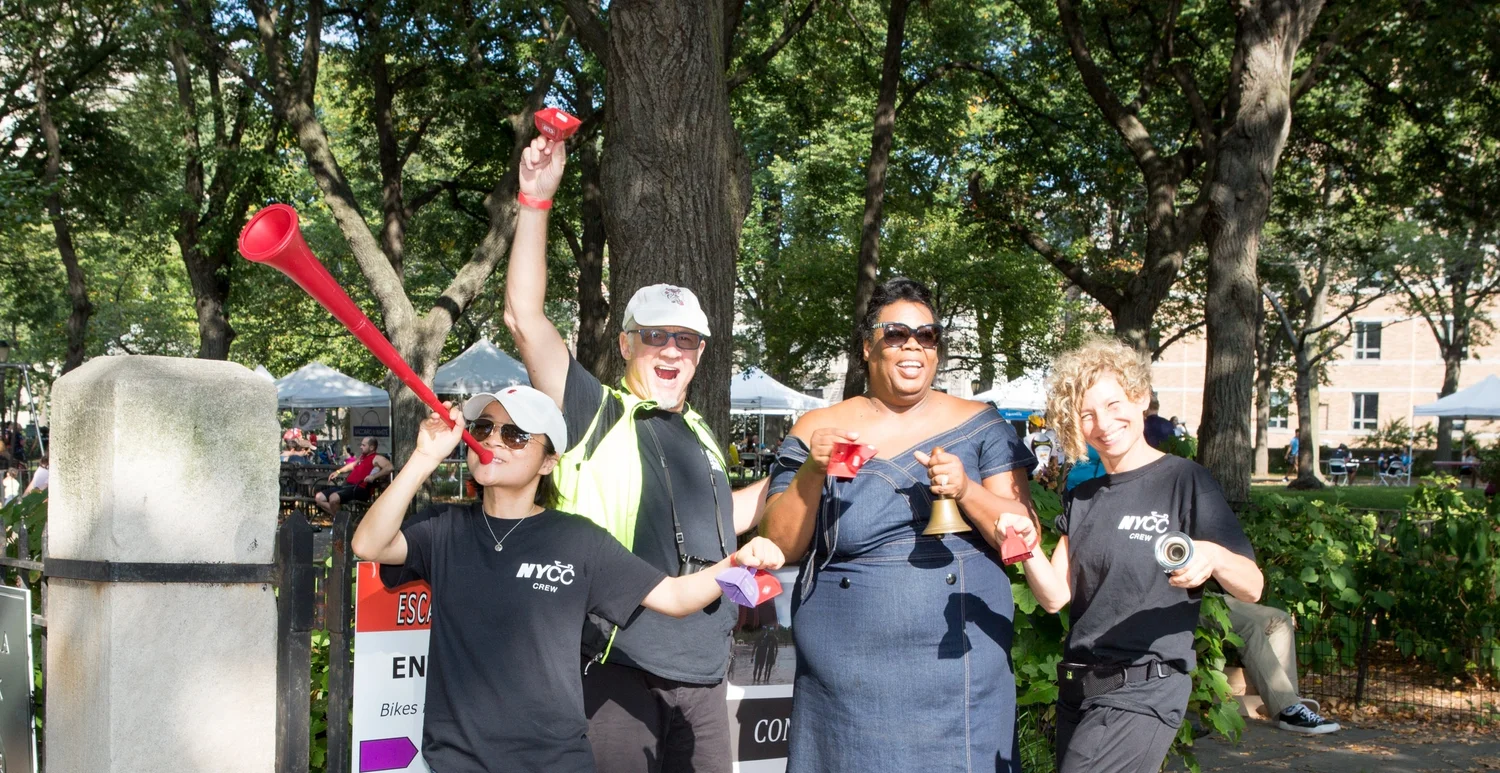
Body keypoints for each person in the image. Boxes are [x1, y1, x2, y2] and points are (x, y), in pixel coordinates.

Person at [503, 132, 771, 773]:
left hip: (703, 675)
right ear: (625, 344)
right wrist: (535, 201)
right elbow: (524, 317)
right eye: (655, 336)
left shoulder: (704, 433)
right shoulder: (592, 409)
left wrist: (800, 470)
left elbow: (714, 525)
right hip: (613, 666)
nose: (671, 351)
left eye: (686, 339)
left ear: (703, 352)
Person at [352, 387, 785, 773]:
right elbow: (369, 545)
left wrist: (737, 561)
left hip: (553, 761)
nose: (493, 441)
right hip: (453, 761)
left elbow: (673, 596)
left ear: (549, 461)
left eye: (516, 435)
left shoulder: (577, 539)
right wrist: (425, 458)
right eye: (484, 427)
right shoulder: (443, 529)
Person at [762, 277, 1039, 772]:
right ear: (868, 345)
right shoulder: (816, 426)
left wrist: (967, 491)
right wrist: (811, 470)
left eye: (927, 335)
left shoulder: (981, 423)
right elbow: (778, 544)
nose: (912, 344)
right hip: (843, 679)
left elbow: (1021, 529)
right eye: (895, 333)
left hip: (956, 672)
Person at [1015, 338, 1263, 773]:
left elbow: (1253, 585)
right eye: (1087, 414)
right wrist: (1024, 545)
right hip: (1079, 691)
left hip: (1143, 688)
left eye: (1113, 405)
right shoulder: (1083, 494)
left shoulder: (1184, 480)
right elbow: (1054, 596)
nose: (1102, 423)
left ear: (1141, 398)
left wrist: (1212, 555)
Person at [1210, 597, 1339, 734]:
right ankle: (1288, 707)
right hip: (1188, 601)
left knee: (1280, 620)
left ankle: (1288, 703)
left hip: (1208, 594)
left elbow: (1252, 592)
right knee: (1248, 627)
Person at [316, 436, 393, 517]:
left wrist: (374, 476)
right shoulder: (362, 457)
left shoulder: (377, 458)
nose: (361, 447)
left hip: (360, 488)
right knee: (319, 497)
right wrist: (338, 471)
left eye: (363, 445)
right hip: (347, 486)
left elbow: (390, 467)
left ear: (371, 447)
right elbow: (352, 465)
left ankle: (342, 521)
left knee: (333, 498)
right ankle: (344, 518)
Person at [1024, 413, 1063, 478]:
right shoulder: (1049, 439)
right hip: (1045, 474)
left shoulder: (1026, 439)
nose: (1028, 427)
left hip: (1031, 475)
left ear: (1031, 425)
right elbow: (1054, 459)